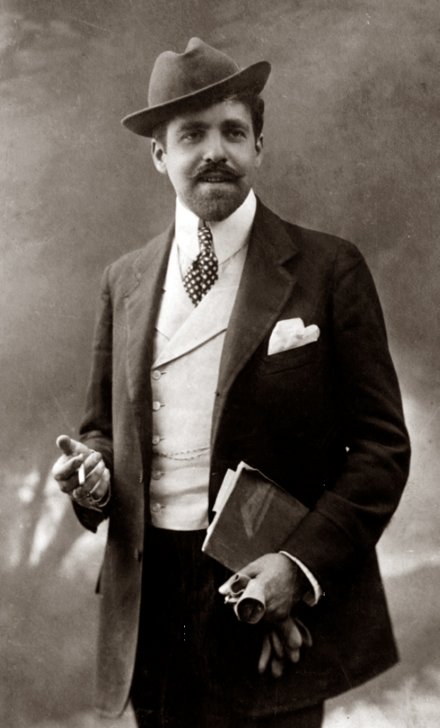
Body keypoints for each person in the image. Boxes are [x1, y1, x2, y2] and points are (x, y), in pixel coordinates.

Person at [52, 38, 410, 728]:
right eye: (192, 134)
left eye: (233, 132)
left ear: (258, 147)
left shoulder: (329, 269)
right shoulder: (124, 282)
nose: (215, 151)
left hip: (267, 604)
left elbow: (381, 451)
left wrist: (297, 567)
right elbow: (102, 430)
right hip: (152, 607)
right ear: (160, 155)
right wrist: (93, 476)